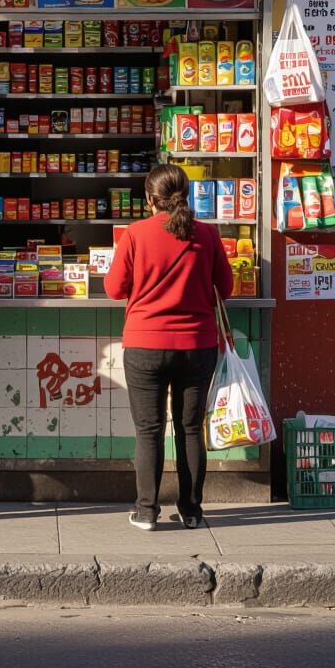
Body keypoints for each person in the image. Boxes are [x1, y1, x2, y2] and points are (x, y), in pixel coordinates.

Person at [103, 164, 234, 531]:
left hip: (145, 345)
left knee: (149, 430)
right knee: (190, 429)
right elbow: (226, 287)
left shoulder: (134, 234)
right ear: (186, 195)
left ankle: (146, 512)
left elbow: (114, 289)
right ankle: (192, 511)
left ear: (149, 199)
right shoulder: (207, 235)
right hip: (197, 346)